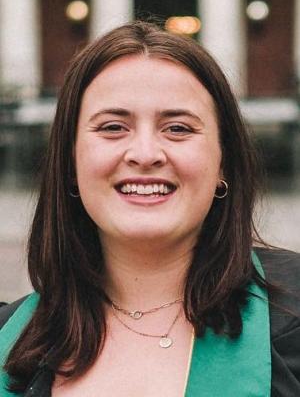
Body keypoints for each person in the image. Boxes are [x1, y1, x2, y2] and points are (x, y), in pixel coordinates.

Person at [0, 20, 299, 397]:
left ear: (223, 163)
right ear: (71, 162)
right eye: (112, 127)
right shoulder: (8, 342)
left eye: (178, 128)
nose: (145, 154)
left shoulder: (292, 316)